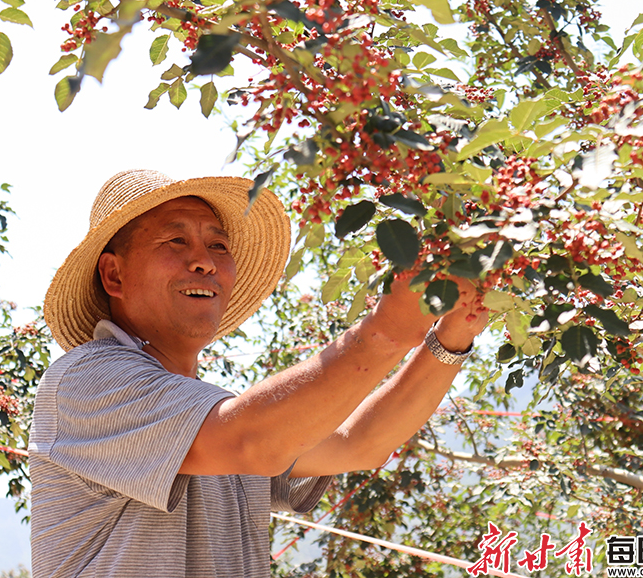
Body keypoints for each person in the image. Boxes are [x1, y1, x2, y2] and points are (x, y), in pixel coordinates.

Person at [29, 169, 488, 577]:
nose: (205, 261)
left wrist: (452, 337)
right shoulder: (87, 380)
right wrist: (386, 331)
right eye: (175, 241)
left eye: (218, 245)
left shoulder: (213, 420)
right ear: (113, 275)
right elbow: (254, 440)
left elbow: (360, 443)